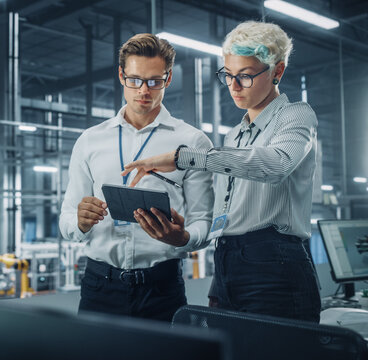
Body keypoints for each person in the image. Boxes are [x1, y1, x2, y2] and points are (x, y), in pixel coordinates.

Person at [121, 21, 321, 322]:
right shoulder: (235, 136)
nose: (234, 86)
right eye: (227, 75)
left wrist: (184, 157)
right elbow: (229, 212)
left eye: (245, 76)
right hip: (229, 261)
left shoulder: (296, 116)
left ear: (277, 72)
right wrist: (184, 231)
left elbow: (276, 164)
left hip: (275, 264)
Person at [59, 33, 214, 322]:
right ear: (121, 75)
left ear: (168, 79)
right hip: (99, 287)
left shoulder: (192, 142)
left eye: (155, 81)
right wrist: (79, 222)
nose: (144, 90)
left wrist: (183, 237)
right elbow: (67, 218)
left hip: (161, 289)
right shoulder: (90, 140)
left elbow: (204, 221)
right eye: (135, 80)